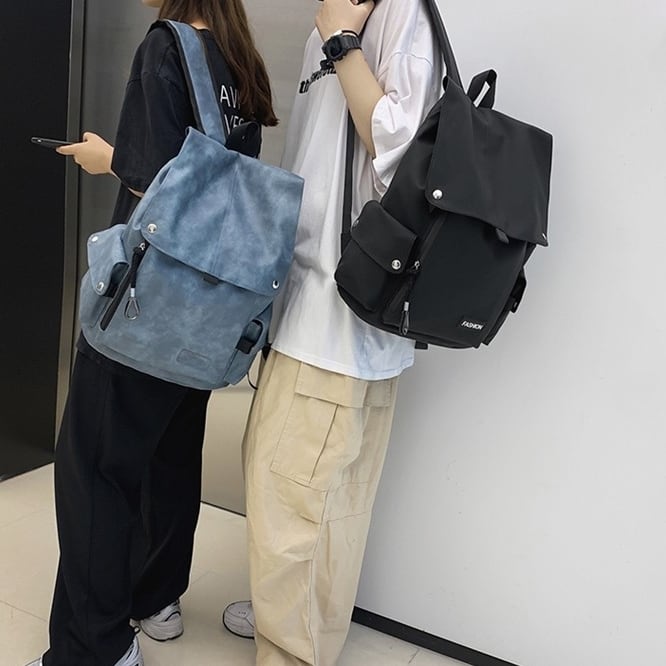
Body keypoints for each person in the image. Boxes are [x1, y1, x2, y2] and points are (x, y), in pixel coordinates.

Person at [29, 1, 277, 665]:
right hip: (209, 312)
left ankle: (96, 648)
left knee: (94, 474)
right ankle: (155, 598)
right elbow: (223, 187)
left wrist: (106, 158)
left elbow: (156, 189)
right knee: (169, 455)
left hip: (148, 309)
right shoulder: (238, 57)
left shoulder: (166, 47)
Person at [222, 0, 444, 664]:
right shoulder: (339, 14)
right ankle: (304, 628)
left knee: (288, 502)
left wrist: (343, 41)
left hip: (336, 321)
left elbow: (404, 149)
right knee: (324, 506)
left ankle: (290, 650)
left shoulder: (395, 15)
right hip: (323, 313)